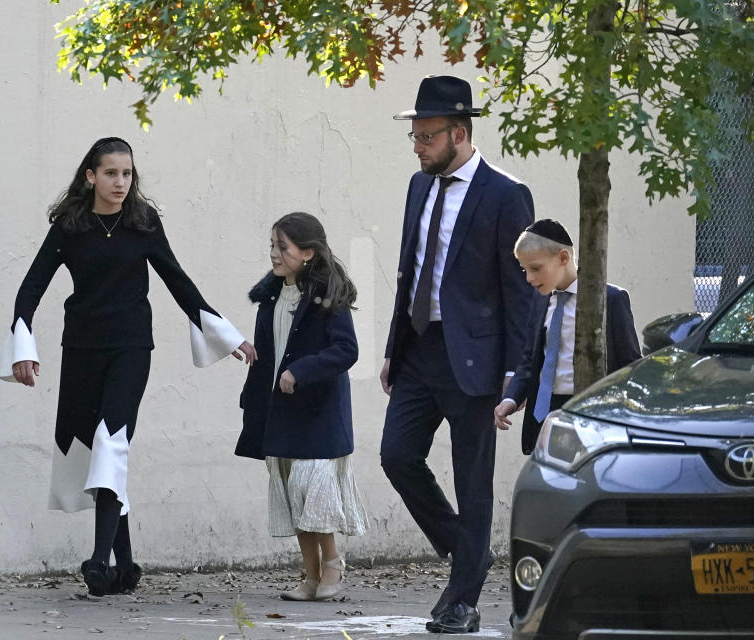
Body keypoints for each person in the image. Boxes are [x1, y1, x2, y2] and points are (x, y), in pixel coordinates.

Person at [0, 137, 256, 597]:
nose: (121, 182)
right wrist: (22, 344)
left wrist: (225, 333)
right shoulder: (70, 226)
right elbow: (31, 286)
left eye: (128, 173)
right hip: (81, 350)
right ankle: (127, 566)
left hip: (132, 348)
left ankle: (99, 563)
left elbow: (177, 280)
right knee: (92, 452)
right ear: (91, 176)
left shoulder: (142, 222)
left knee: (109, 442)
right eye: (112, 173)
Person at [379, 75, 535, 634]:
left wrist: (518, 373)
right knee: (397, 455)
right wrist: (395, 348)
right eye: (415, 137)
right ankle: (468, 553)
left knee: (473, 482)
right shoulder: (419, 187)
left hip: (476, 360)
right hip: (420, 350)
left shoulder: (504, 194)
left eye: (426, 137)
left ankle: (463, 600)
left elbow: (521, 293)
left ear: (459, 134)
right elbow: (410, 272)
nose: (418, 146)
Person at [235, 212, 367, 602]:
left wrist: (301, 371)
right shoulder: (272, 296)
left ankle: (333, 566)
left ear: (307, 253)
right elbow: (267, 355)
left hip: (317, 413)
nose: (274, 254)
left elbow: (347, 350)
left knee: (313, 492)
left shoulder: (327, 296)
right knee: (293, 495)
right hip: (280, 411)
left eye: (283, 247)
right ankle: (310, 576)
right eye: (272, 246)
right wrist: (252, 397)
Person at [493, 219, 641, 452]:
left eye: (536, 268)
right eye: (525, 270)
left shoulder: (610, 300)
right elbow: (530, 359)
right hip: (545, 411)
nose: (529, 279)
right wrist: (510, 399)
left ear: (563, 258)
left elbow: (629, 364)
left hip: (589, 414)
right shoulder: (541, 300)